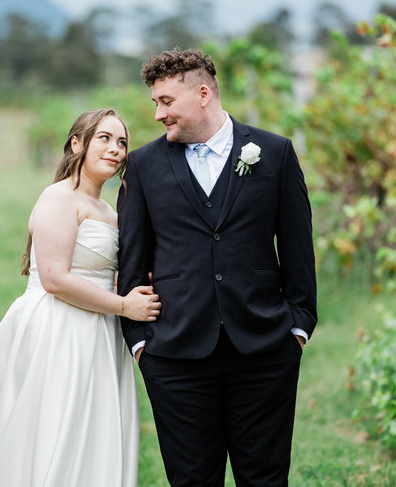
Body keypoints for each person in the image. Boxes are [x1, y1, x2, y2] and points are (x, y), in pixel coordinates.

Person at [116, 49, 317, 487]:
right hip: (174, 354)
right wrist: (140, 344)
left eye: (166, 101)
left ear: (203, 93)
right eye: (155, 103)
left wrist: (297, 328)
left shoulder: (275, 153)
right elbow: (132, 258)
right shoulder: (143, 166)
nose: (157, 114)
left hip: (265, 349)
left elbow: (299, 248)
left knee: (264, 479)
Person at [0, 108, 161, 487]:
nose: (116, 149)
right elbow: (55, 278)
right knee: (55, 431)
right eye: (104, 138)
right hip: (58, 331)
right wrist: (123, 306)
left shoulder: (110, 209)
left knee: (93, 435)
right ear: (77, 143)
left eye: (122, 142)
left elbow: (108, 270)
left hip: (98, 335)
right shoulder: (58, 198)